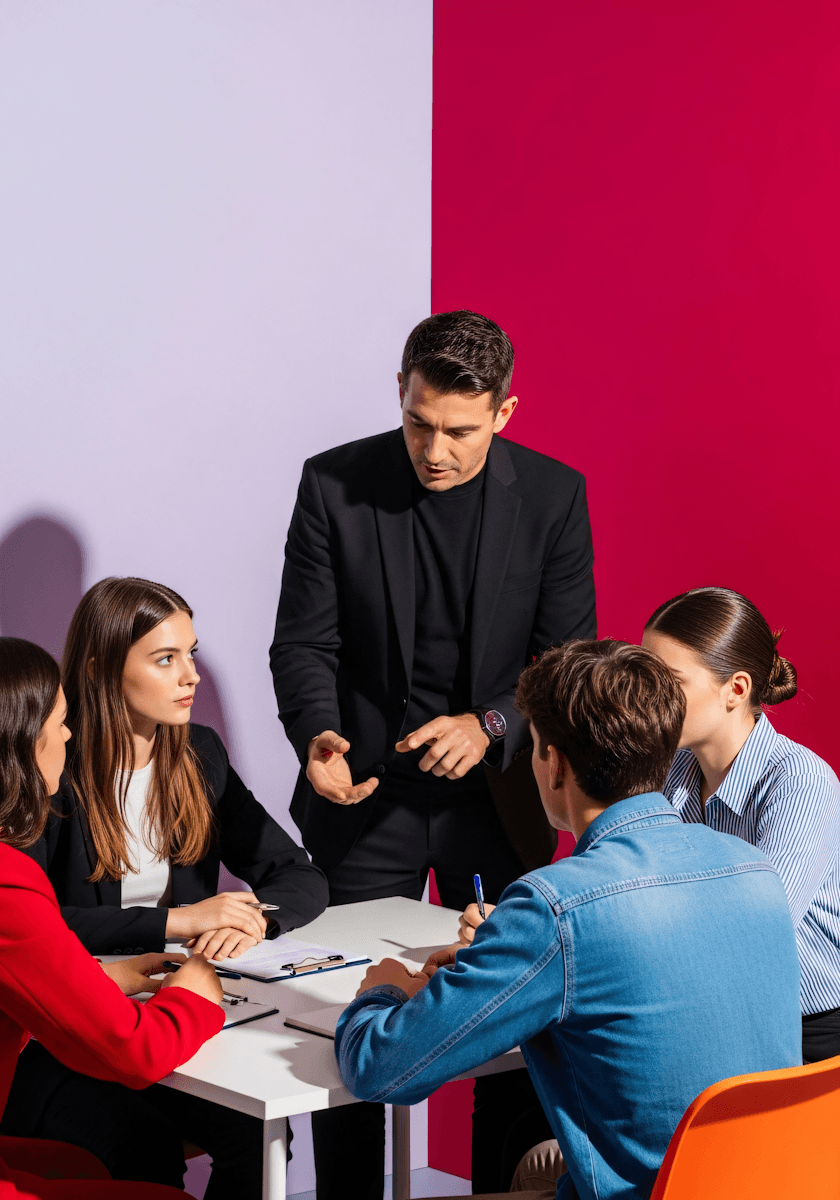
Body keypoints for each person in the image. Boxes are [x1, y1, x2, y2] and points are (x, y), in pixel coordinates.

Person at [270, 309, 597, 1197]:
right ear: (401, 396)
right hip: (363, 795)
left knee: (516, 1016)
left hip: (497, 802)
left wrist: (488, 725)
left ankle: (503, 1190)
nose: (435, 449)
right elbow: (303, 644)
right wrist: (316, 736)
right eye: (419, 422)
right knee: (350, 1011)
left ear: (505, 411)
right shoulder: (333, 483)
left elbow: (566, 662)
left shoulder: (556, 495)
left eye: (459, 429)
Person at [334, 639, 803, 1200]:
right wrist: (491, 966)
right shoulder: (754, 869)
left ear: (554, 765)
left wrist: (381, 994)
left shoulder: (554, 906)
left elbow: (382, 1067)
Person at [3, 577, 329, 1199]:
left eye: (191, 654)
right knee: (139, 1143)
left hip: (164, 1005)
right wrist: (179, 923)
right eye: (165, 658)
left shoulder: (199, 755)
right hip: (59, 1036)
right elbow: (40, 928)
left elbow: (298, 873)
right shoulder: (47, 768)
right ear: (100, 669)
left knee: (257, 1135)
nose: (191, 677)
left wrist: (257, 921)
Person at [0, 635, 225, 1199]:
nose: (68, 735)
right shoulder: (9, 876)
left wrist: (97, 978)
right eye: (58, 722)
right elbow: (135, 1051)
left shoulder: (202, 754)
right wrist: (195, 988)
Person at [642, 585, 840, 1063]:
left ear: (736, 689)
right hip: (710, 1010)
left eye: (669, 682)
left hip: (808, 1030)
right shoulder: (671, 774)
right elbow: (626, 886)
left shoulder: (799, 779)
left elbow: (755, 929)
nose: (648, 699)